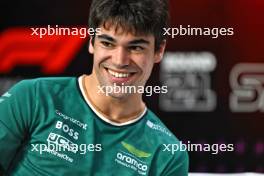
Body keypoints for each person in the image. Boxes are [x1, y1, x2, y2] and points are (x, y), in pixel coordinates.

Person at [0, 0, 189, 175]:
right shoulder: (32, 97)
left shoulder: (167, 154)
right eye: (107, 43)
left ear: (159, 50)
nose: (119, 61)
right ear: (92, 42)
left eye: (135, 47)